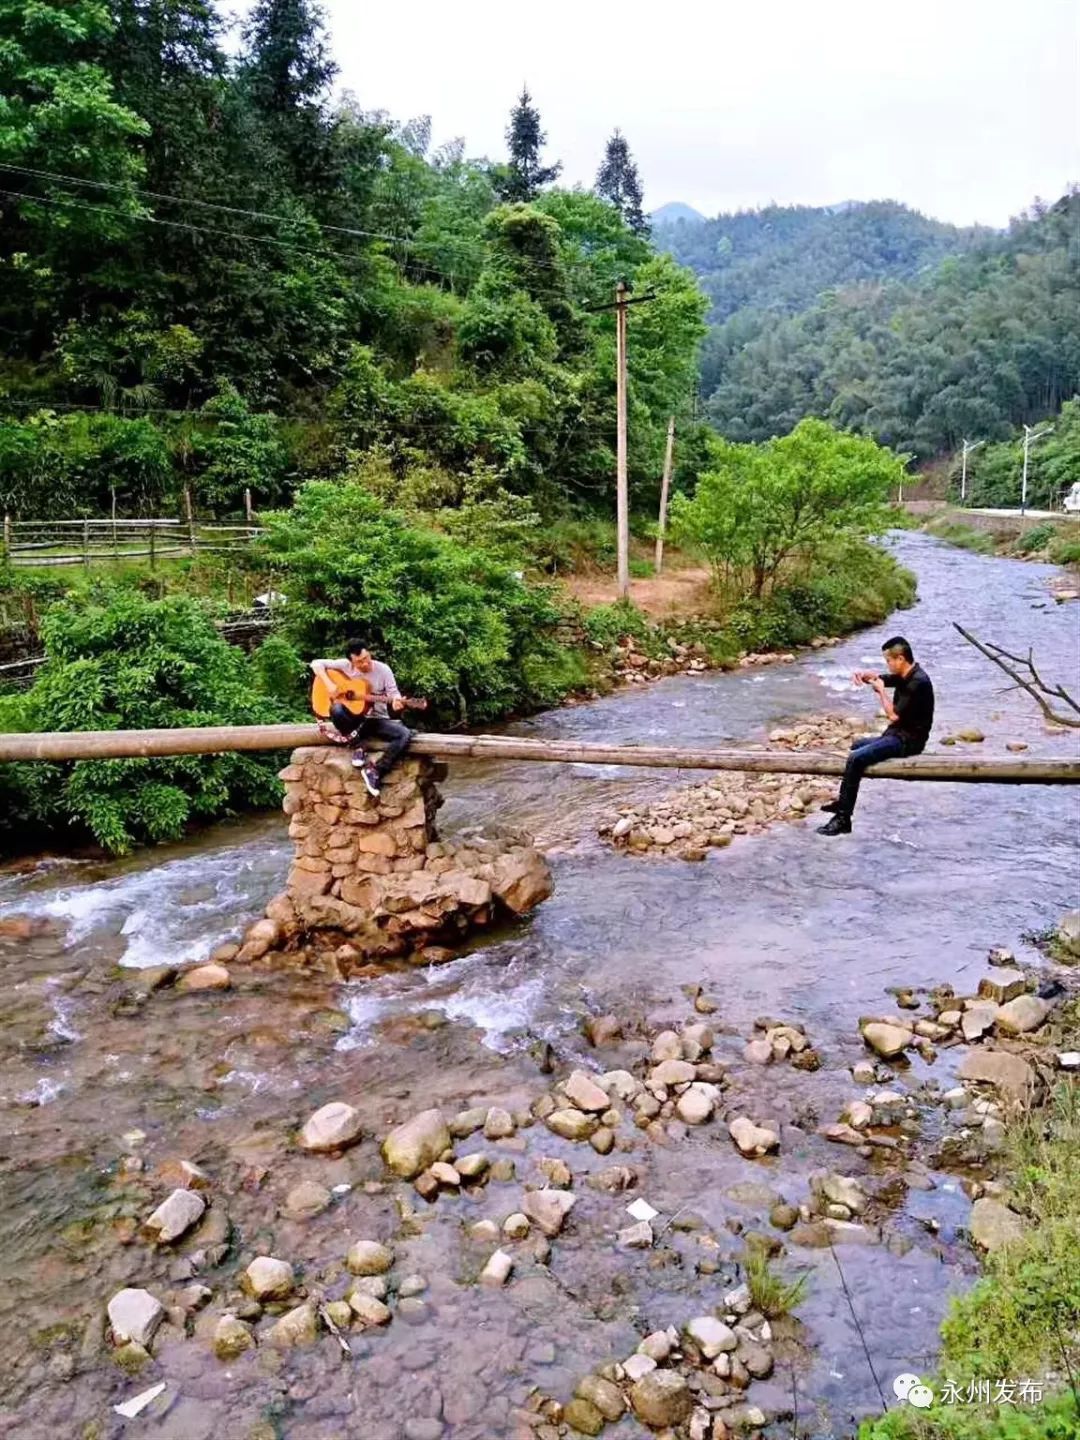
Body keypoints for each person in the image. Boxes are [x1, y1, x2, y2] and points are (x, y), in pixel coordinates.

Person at [817, 636, 935, 836]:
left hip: (908, 741)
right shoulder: (907, 674)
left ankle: (843, 818)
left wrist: (881, 692)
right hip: (897, 734)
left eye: (888, 661)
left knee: (856, 758)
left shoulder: (918, 682)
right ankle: (843, 800)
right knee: (857, 745)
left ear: (900, 659)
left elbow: (893, 715)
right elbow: (887, 679)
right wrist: (868, 677)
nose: (887, 665)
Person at [310, 641, 413, 797]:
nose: (365, 663)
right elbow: (315, 663)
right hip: (353, 722)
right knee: (336, 709)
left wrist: (398, 702)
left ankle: (376, 770)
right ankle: (358, 746)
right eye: (359, 662)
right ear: (351, 662)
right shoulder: (344, 666)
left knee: (405, 734)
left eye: (367, 657)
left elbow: (394, 693)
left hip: (376, 719)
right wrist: (329, 684)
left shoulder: (383, 669)